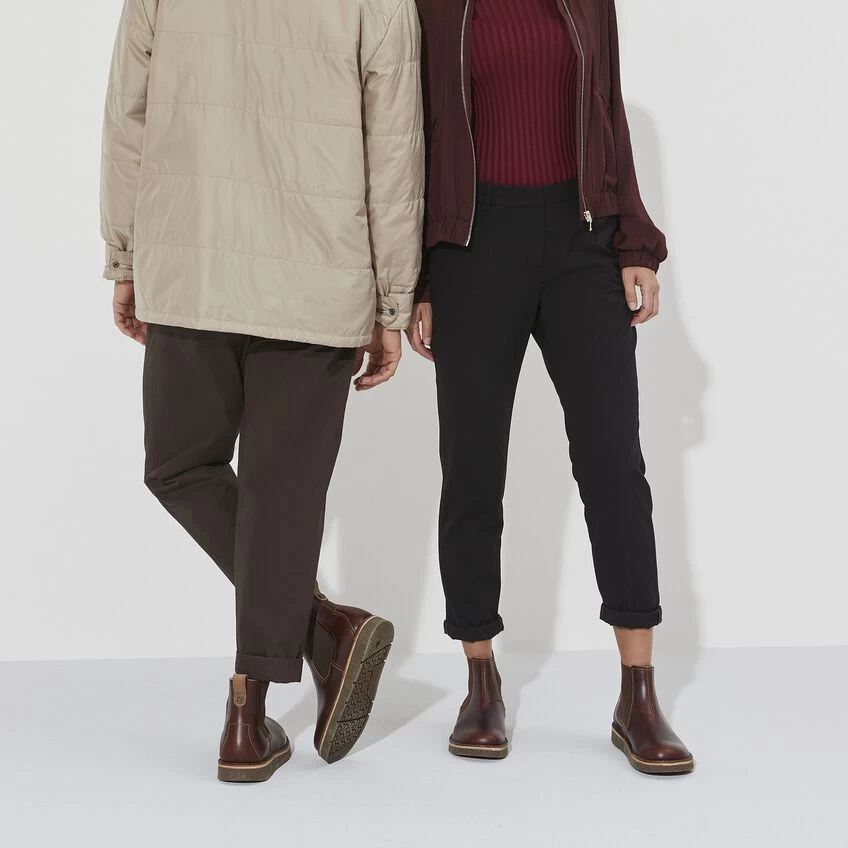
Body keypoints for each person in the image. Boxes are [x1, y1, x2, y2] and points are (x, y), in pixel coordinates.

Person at [100, 0, 423, 781]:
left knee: (182, 466)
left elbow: (126, 118)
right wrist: (391, 299)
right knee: (279, 497)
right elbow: (395, 148)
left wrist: (127, 256)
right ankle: (269, 691)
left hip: (191, 259)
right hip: (318, 277)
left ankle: (293, 669)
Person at [408, 0, 693, 774]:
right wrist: (420, 277)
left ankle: (639, 694)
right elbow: (418, 136)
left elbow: (608, 112)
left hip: (581, 238)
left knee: (613, 464)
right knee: (472, 465)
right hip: (472, 246)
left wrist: (634, 240)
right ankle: (480, 679)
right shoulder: (433, 6)